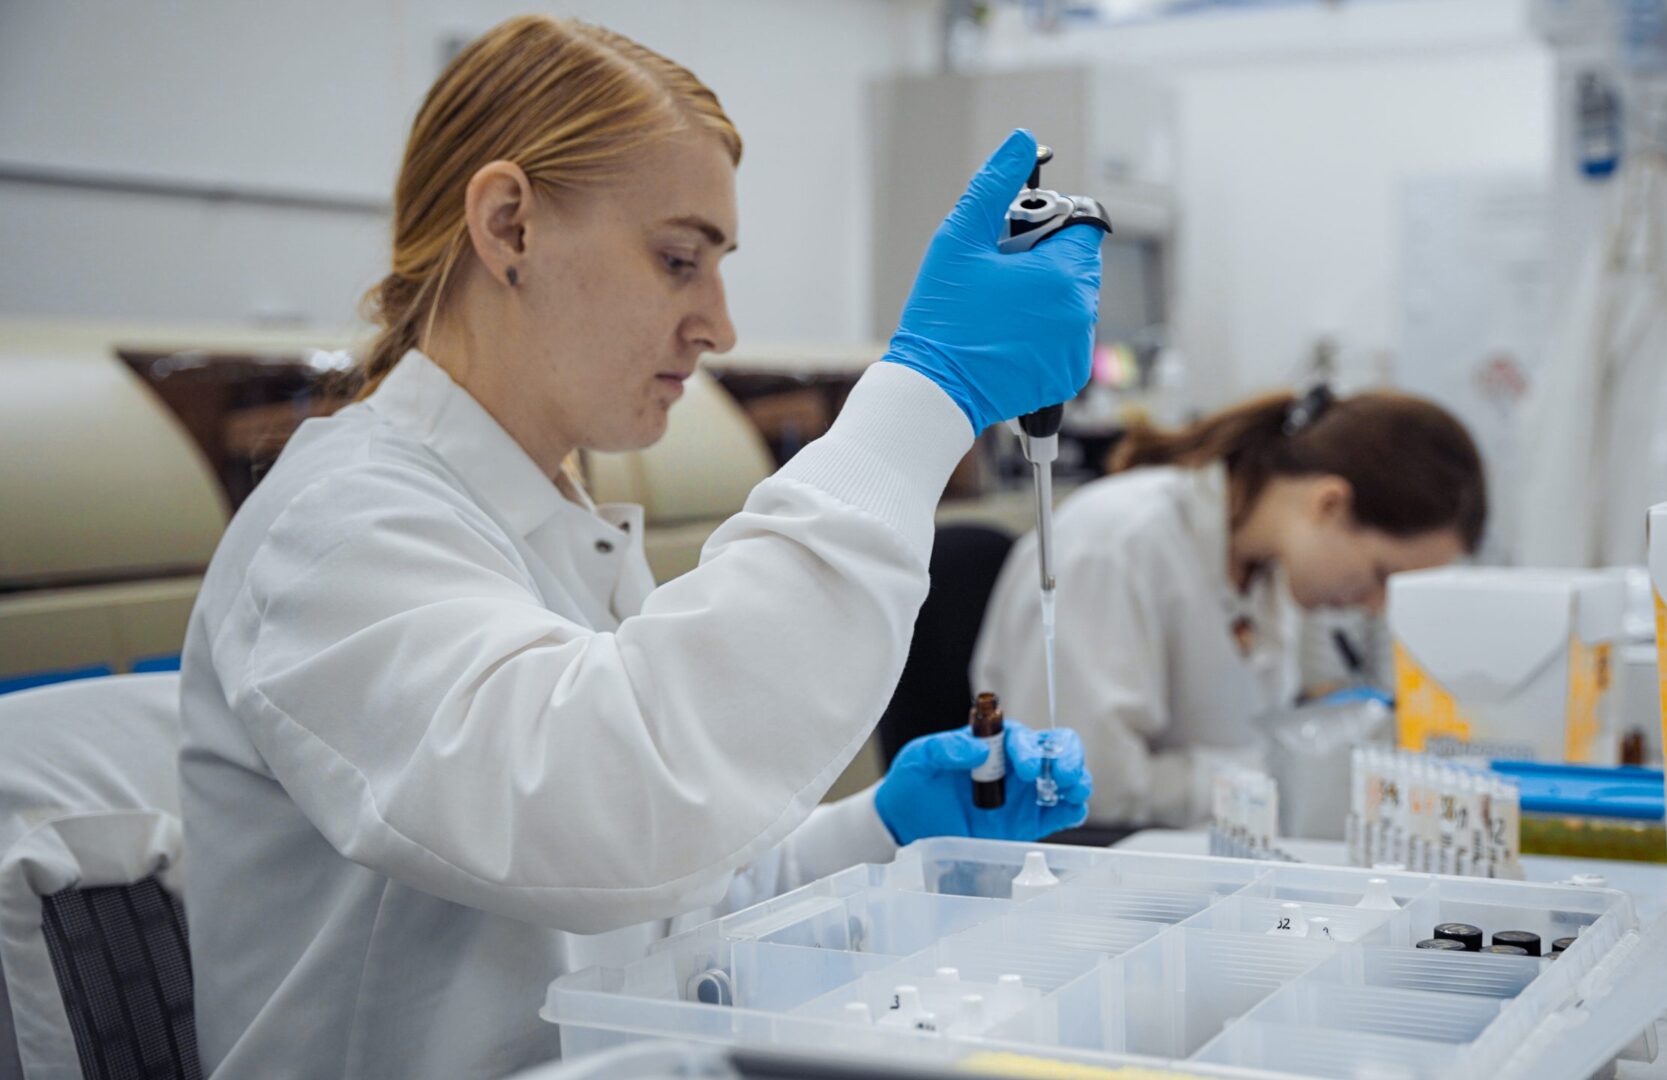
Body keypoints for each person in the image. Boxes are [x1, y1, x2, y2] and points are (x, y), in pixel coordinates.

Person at [176, 15, 1100, 1078]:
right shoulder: (337, 527)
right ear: (510, 225)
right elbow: (611, 804)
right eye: (677, 260)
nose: (718, 323)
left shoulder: (544, 521)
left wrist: (885, 833)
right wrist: (927, 397)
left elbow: (652, 909)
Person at [972, 386, 1484, 829]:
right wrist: (1265, 775)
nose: (1376, 607)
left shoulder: (1262, 567)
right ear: (1329, 505)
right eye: (1380, 575)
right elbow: (1089, 784)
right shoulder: (1114, 546)